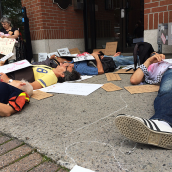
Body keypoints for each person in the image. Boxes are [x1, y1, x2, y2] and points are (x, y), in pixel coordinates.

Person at [115, 53, 172, 149]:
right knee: (167, 90)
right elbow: (134, 80)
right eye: (153, 54)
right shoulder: (151, 68)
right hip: (169, 73)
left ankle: (164, 122)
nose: (157, 55)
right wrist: (149, 61)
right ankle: (164, 121)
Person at [5, 63, 81, 90]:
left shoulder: (52, 77)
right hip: (11, 71)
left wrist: (8, 80)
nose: (63, 64)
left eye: (66, 66)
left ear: (62, 74)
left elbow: (31, 86)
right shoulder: (52, 69)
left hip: (12, 77)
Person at [33, 52, 105, 75]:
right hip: (49, 62)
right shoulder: (75, 64)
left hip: (47, 64)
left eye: (61, 64)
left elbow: (100, 71)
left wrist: (96, 57)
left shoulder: (80, 68)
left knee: (32, 66)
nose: (60, 64)